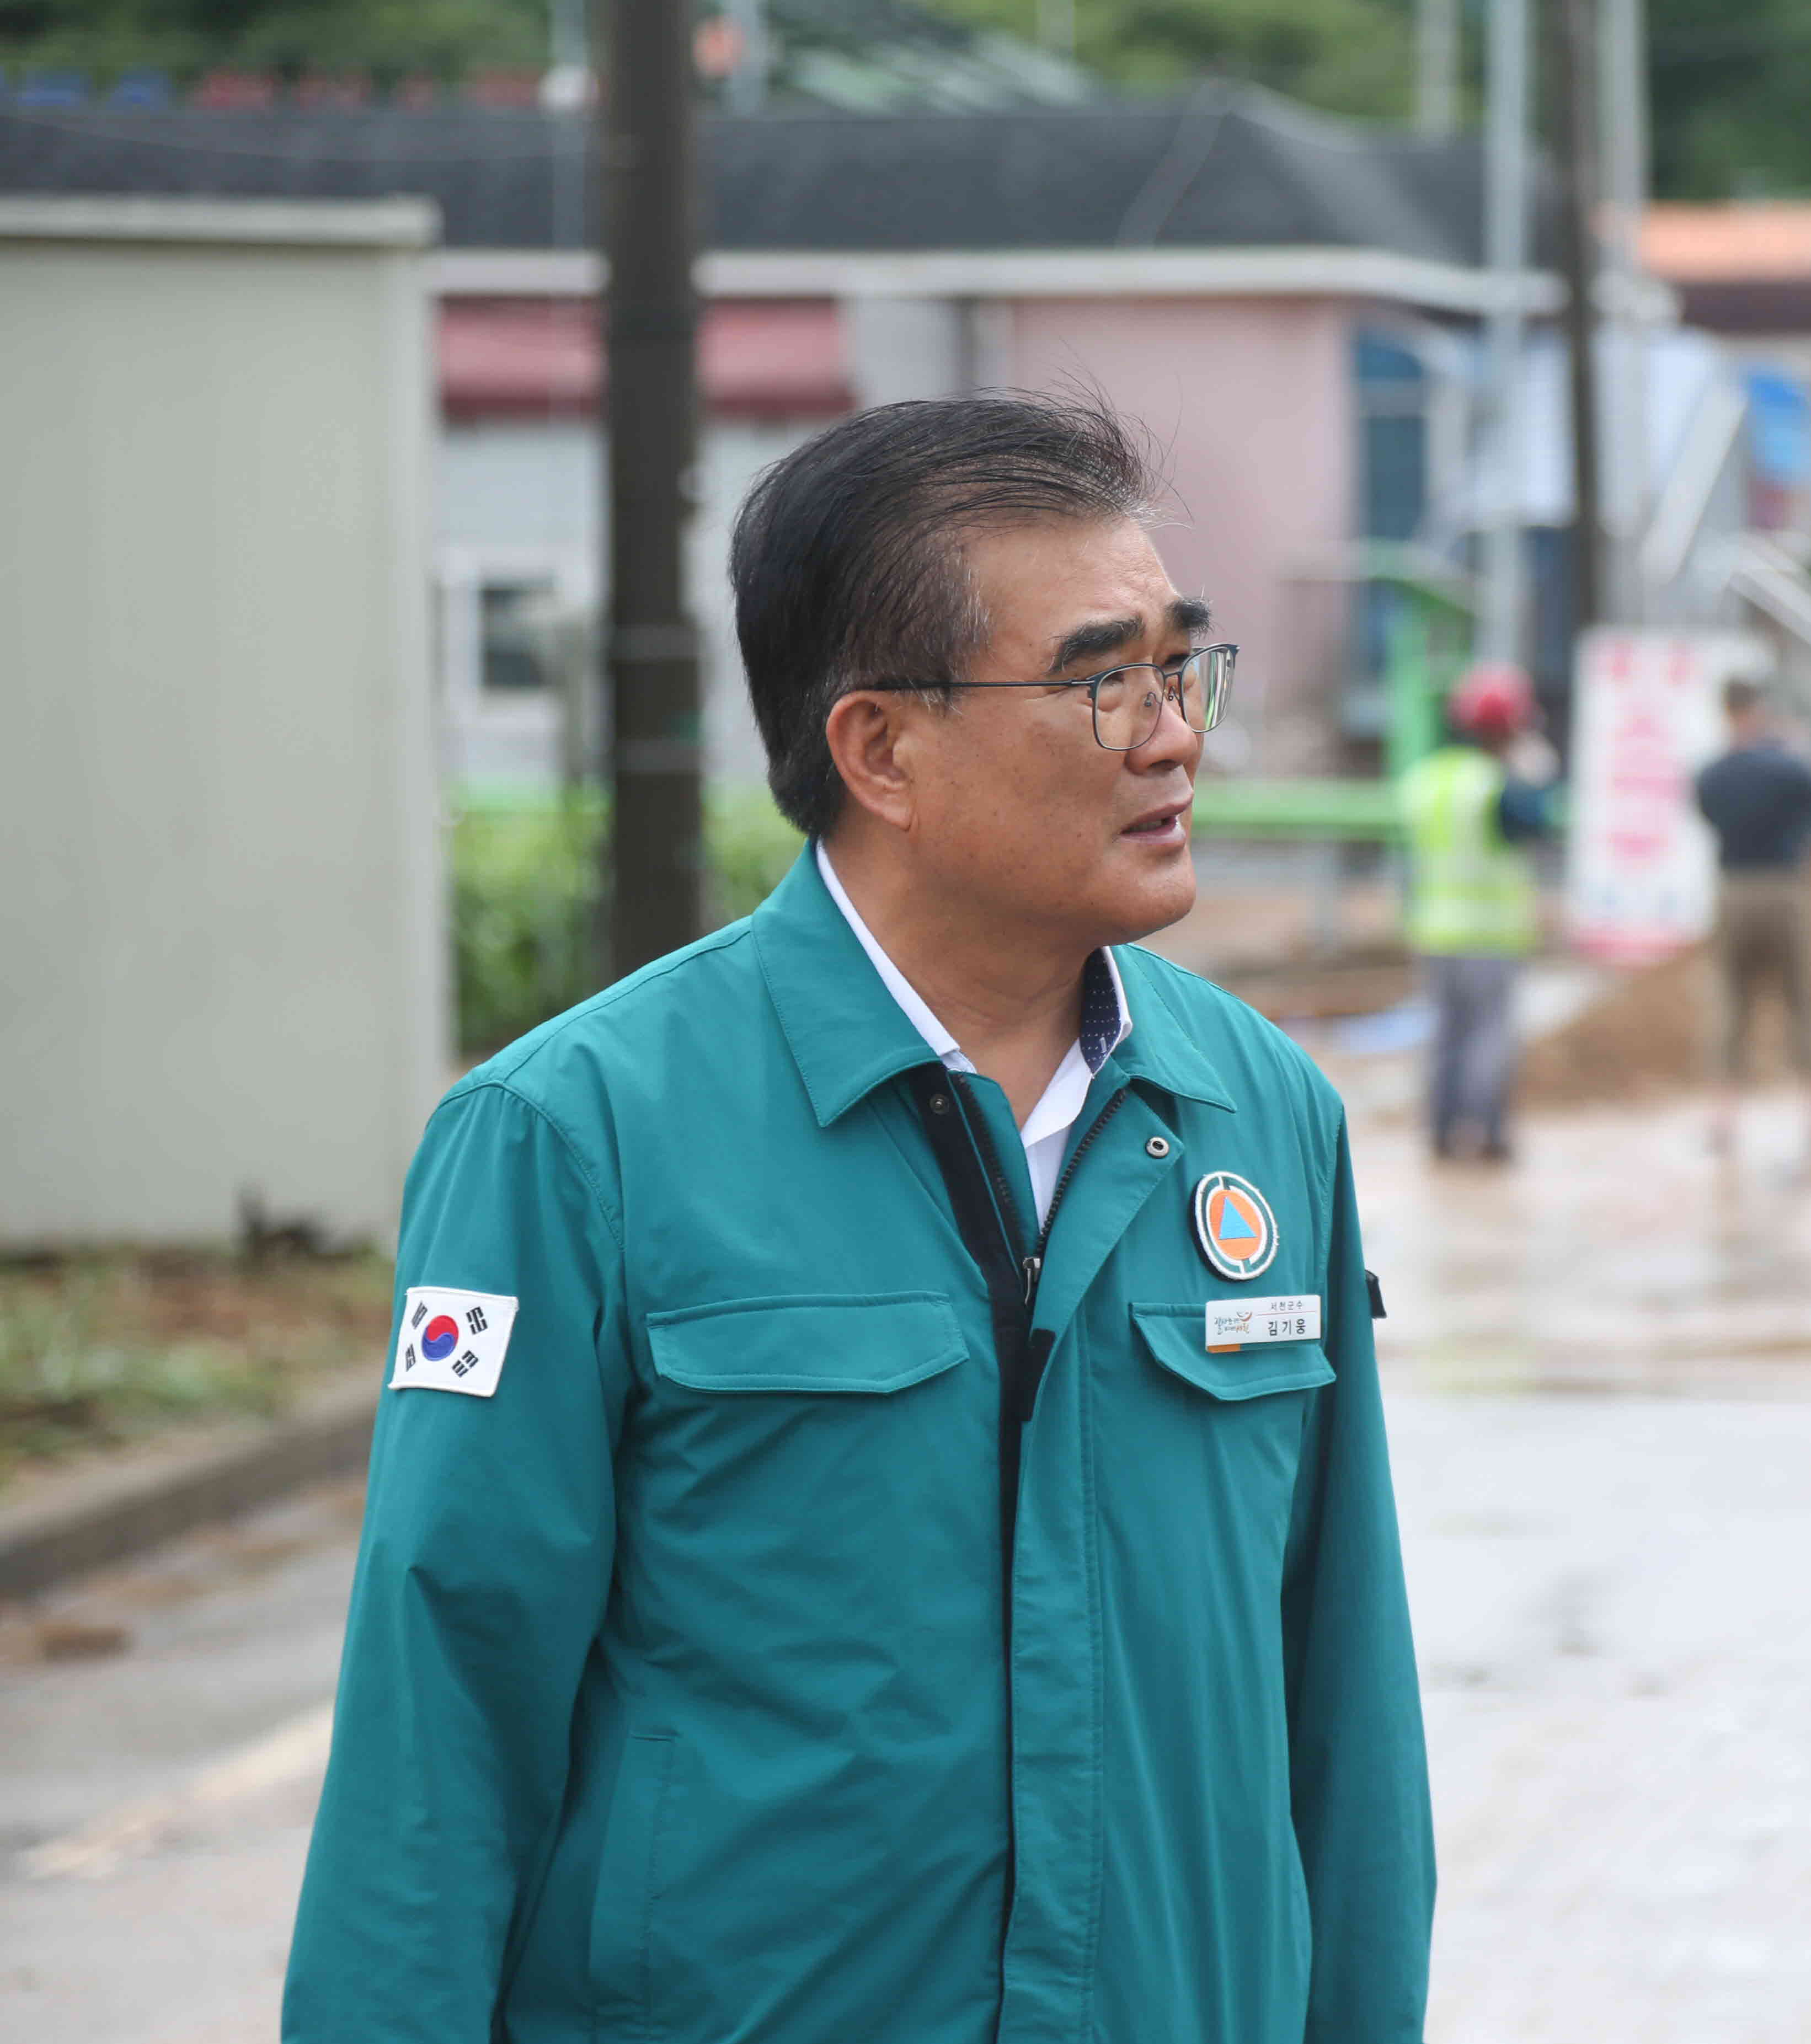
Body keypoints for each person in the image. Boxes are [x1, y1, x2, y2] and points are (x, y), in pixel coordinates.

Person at [282, 396, 1433, 2044]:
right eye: (1102, 678)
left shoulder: (1262, 1116)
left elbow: (1343, 1701)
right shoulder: (573, 1138)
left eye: (1184, 664)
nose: (1175, 731)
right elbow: (439, 1729)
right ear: (879, 747)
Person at [1399, 661, 1551, 1164]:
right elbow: (1535, 826)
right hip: (1491, 935)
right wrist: (1536, 775)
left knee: (1444, 1035)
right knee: (1489, 1038)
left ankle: (1440, 1134)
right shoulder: (1499, 785)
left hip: (1436, 932)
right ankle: (1487, 1135)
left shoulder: (1427, 779)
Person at [1694, 678, 1811, 1154]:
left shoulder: (1713, 775)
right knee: (1805, 1001)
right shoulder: (1788, 769)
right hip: (1785, 888)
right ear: (1758, 709)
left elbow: (1705, 808)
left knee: (1731, 1004)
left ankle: (1723, 1118)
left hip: (1734, 888)